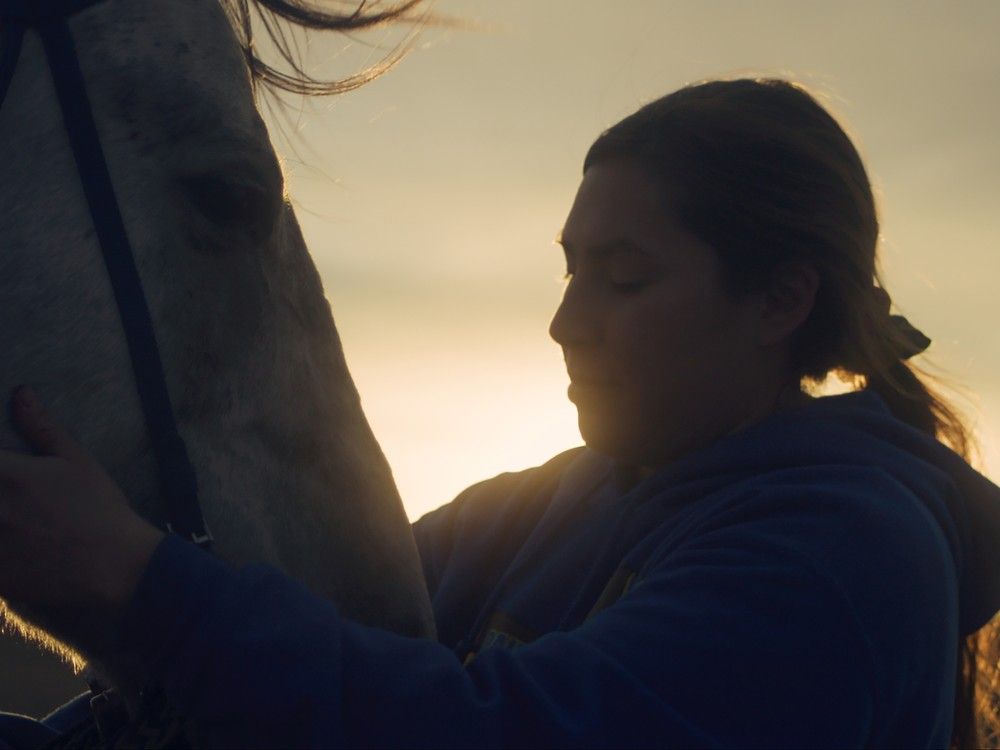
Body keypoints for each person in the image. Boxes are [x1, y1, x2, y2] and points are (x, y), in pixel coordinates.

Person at [2, 77, 999, 749]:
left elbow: (496, 733)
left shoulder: (846, 557)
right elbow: (334, 636)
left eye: (623, 277)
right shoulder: (537, 508)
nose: (566, 324)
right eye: (571, 271)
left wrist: (134, 590)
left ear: (779, 300)